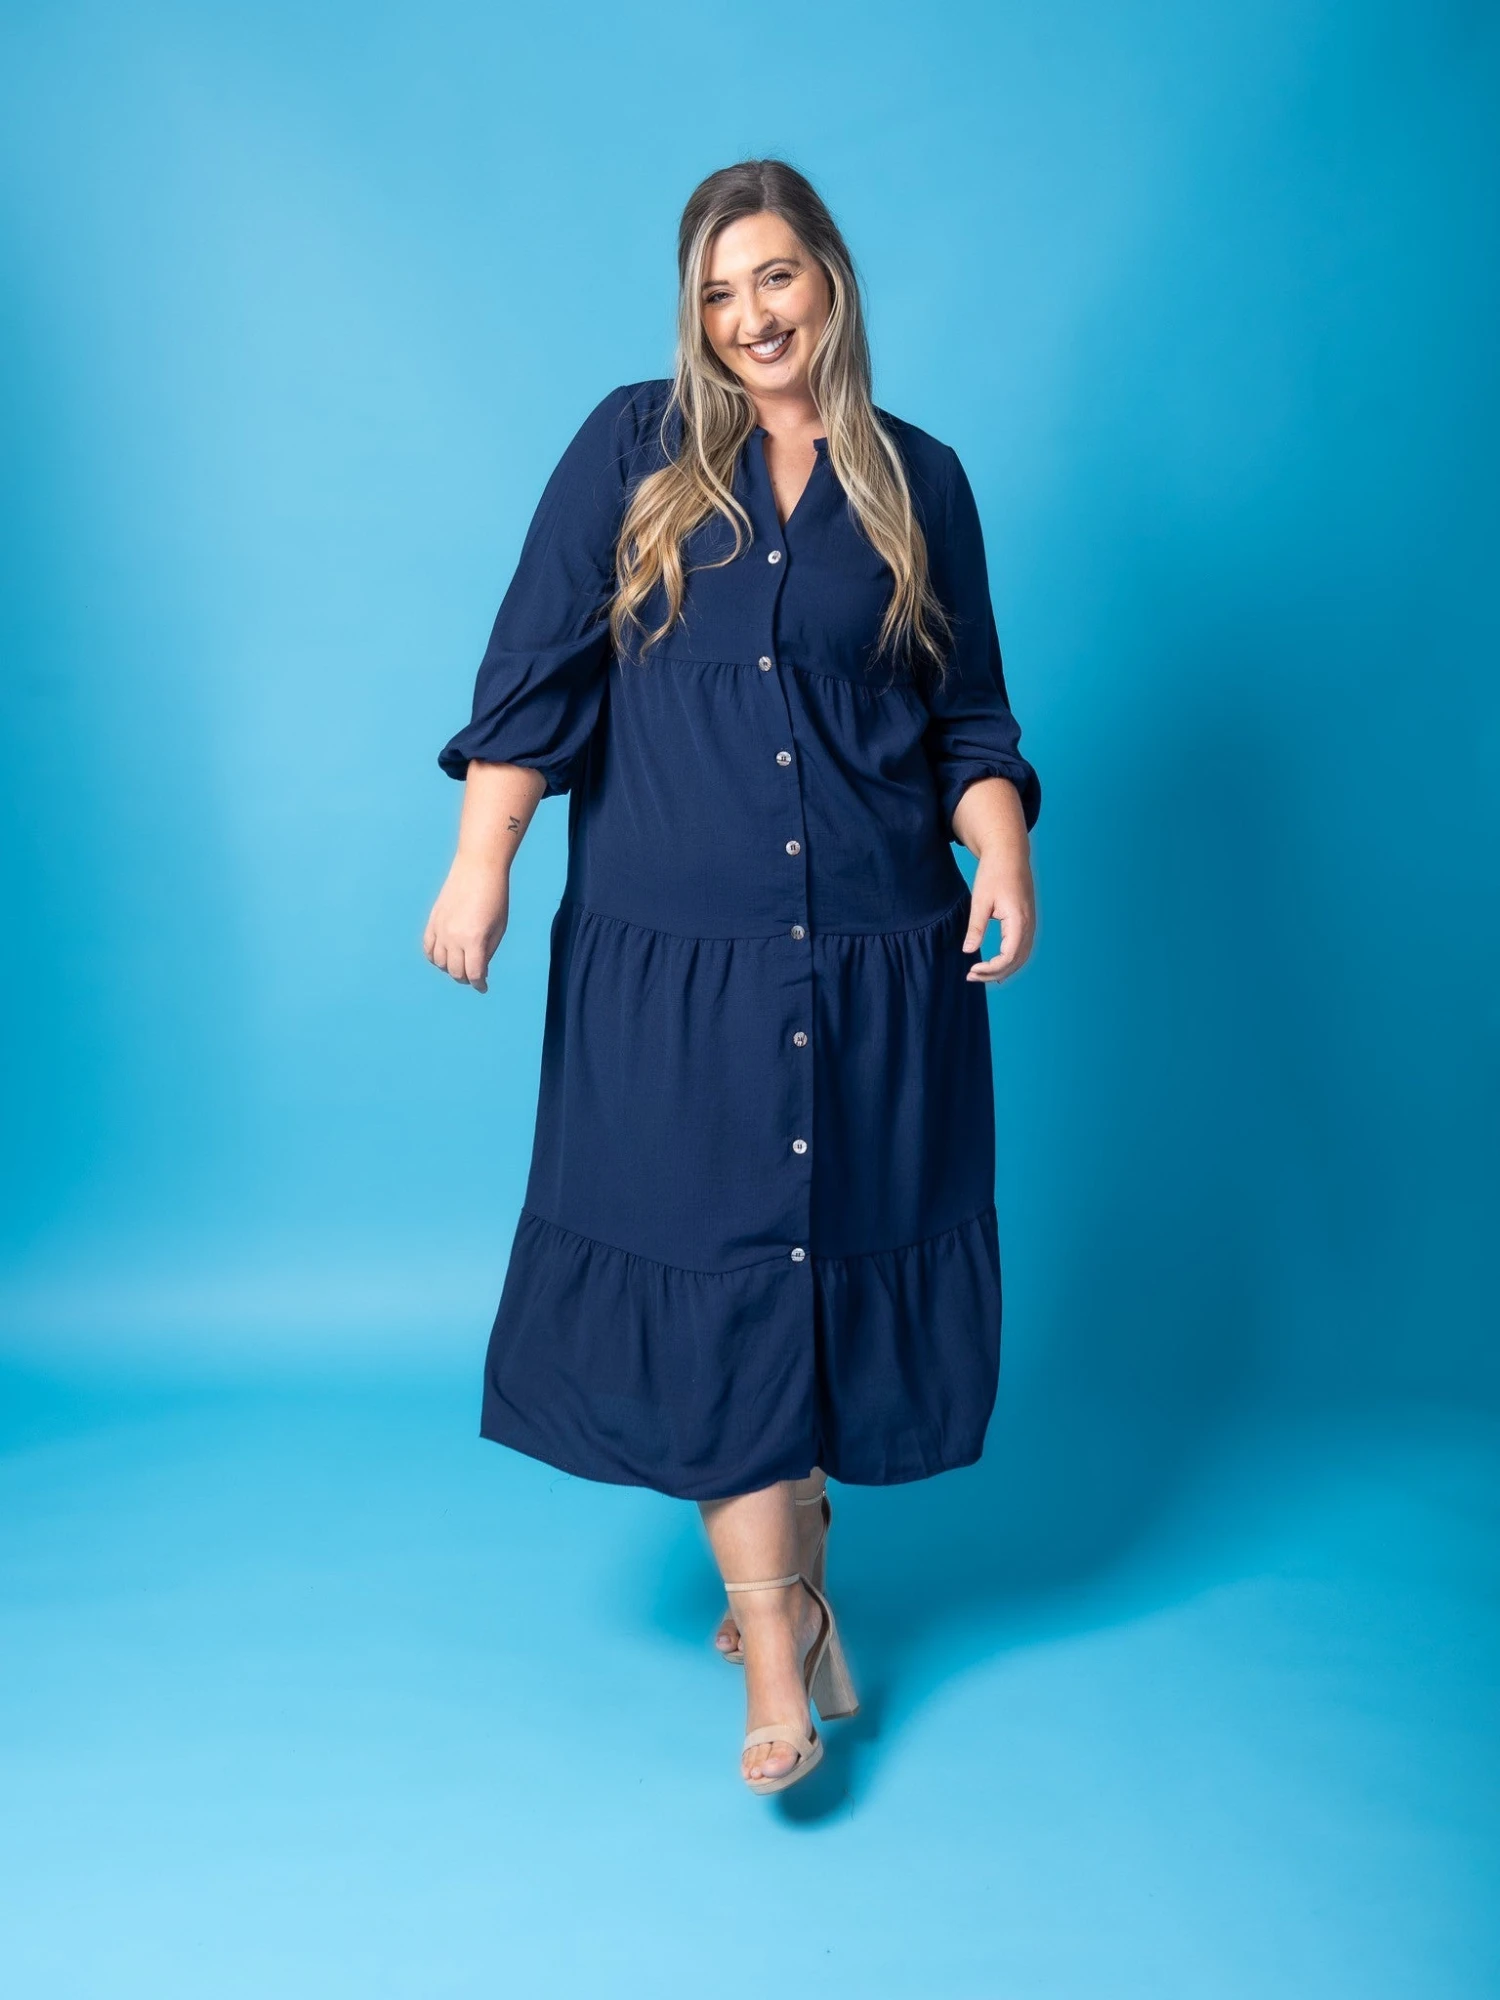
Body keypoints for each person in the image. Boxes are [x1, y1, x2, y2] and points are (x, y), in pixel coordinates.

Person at [424, 158, 1041, 1796]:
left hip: (876, 958)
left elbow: (968, 715)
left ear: (828, 276)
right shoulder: (630, 449)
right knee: (722, 1273)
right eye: (716, 291)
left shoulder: (921, 479)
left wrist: (1003, 849)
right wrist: (482, 864)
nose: (749, 317)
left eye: (773, 276)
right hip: (673, 968)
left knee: (818, 1265)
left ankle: (800, 1585)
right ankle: (775, 1654)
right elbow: (535, 673)